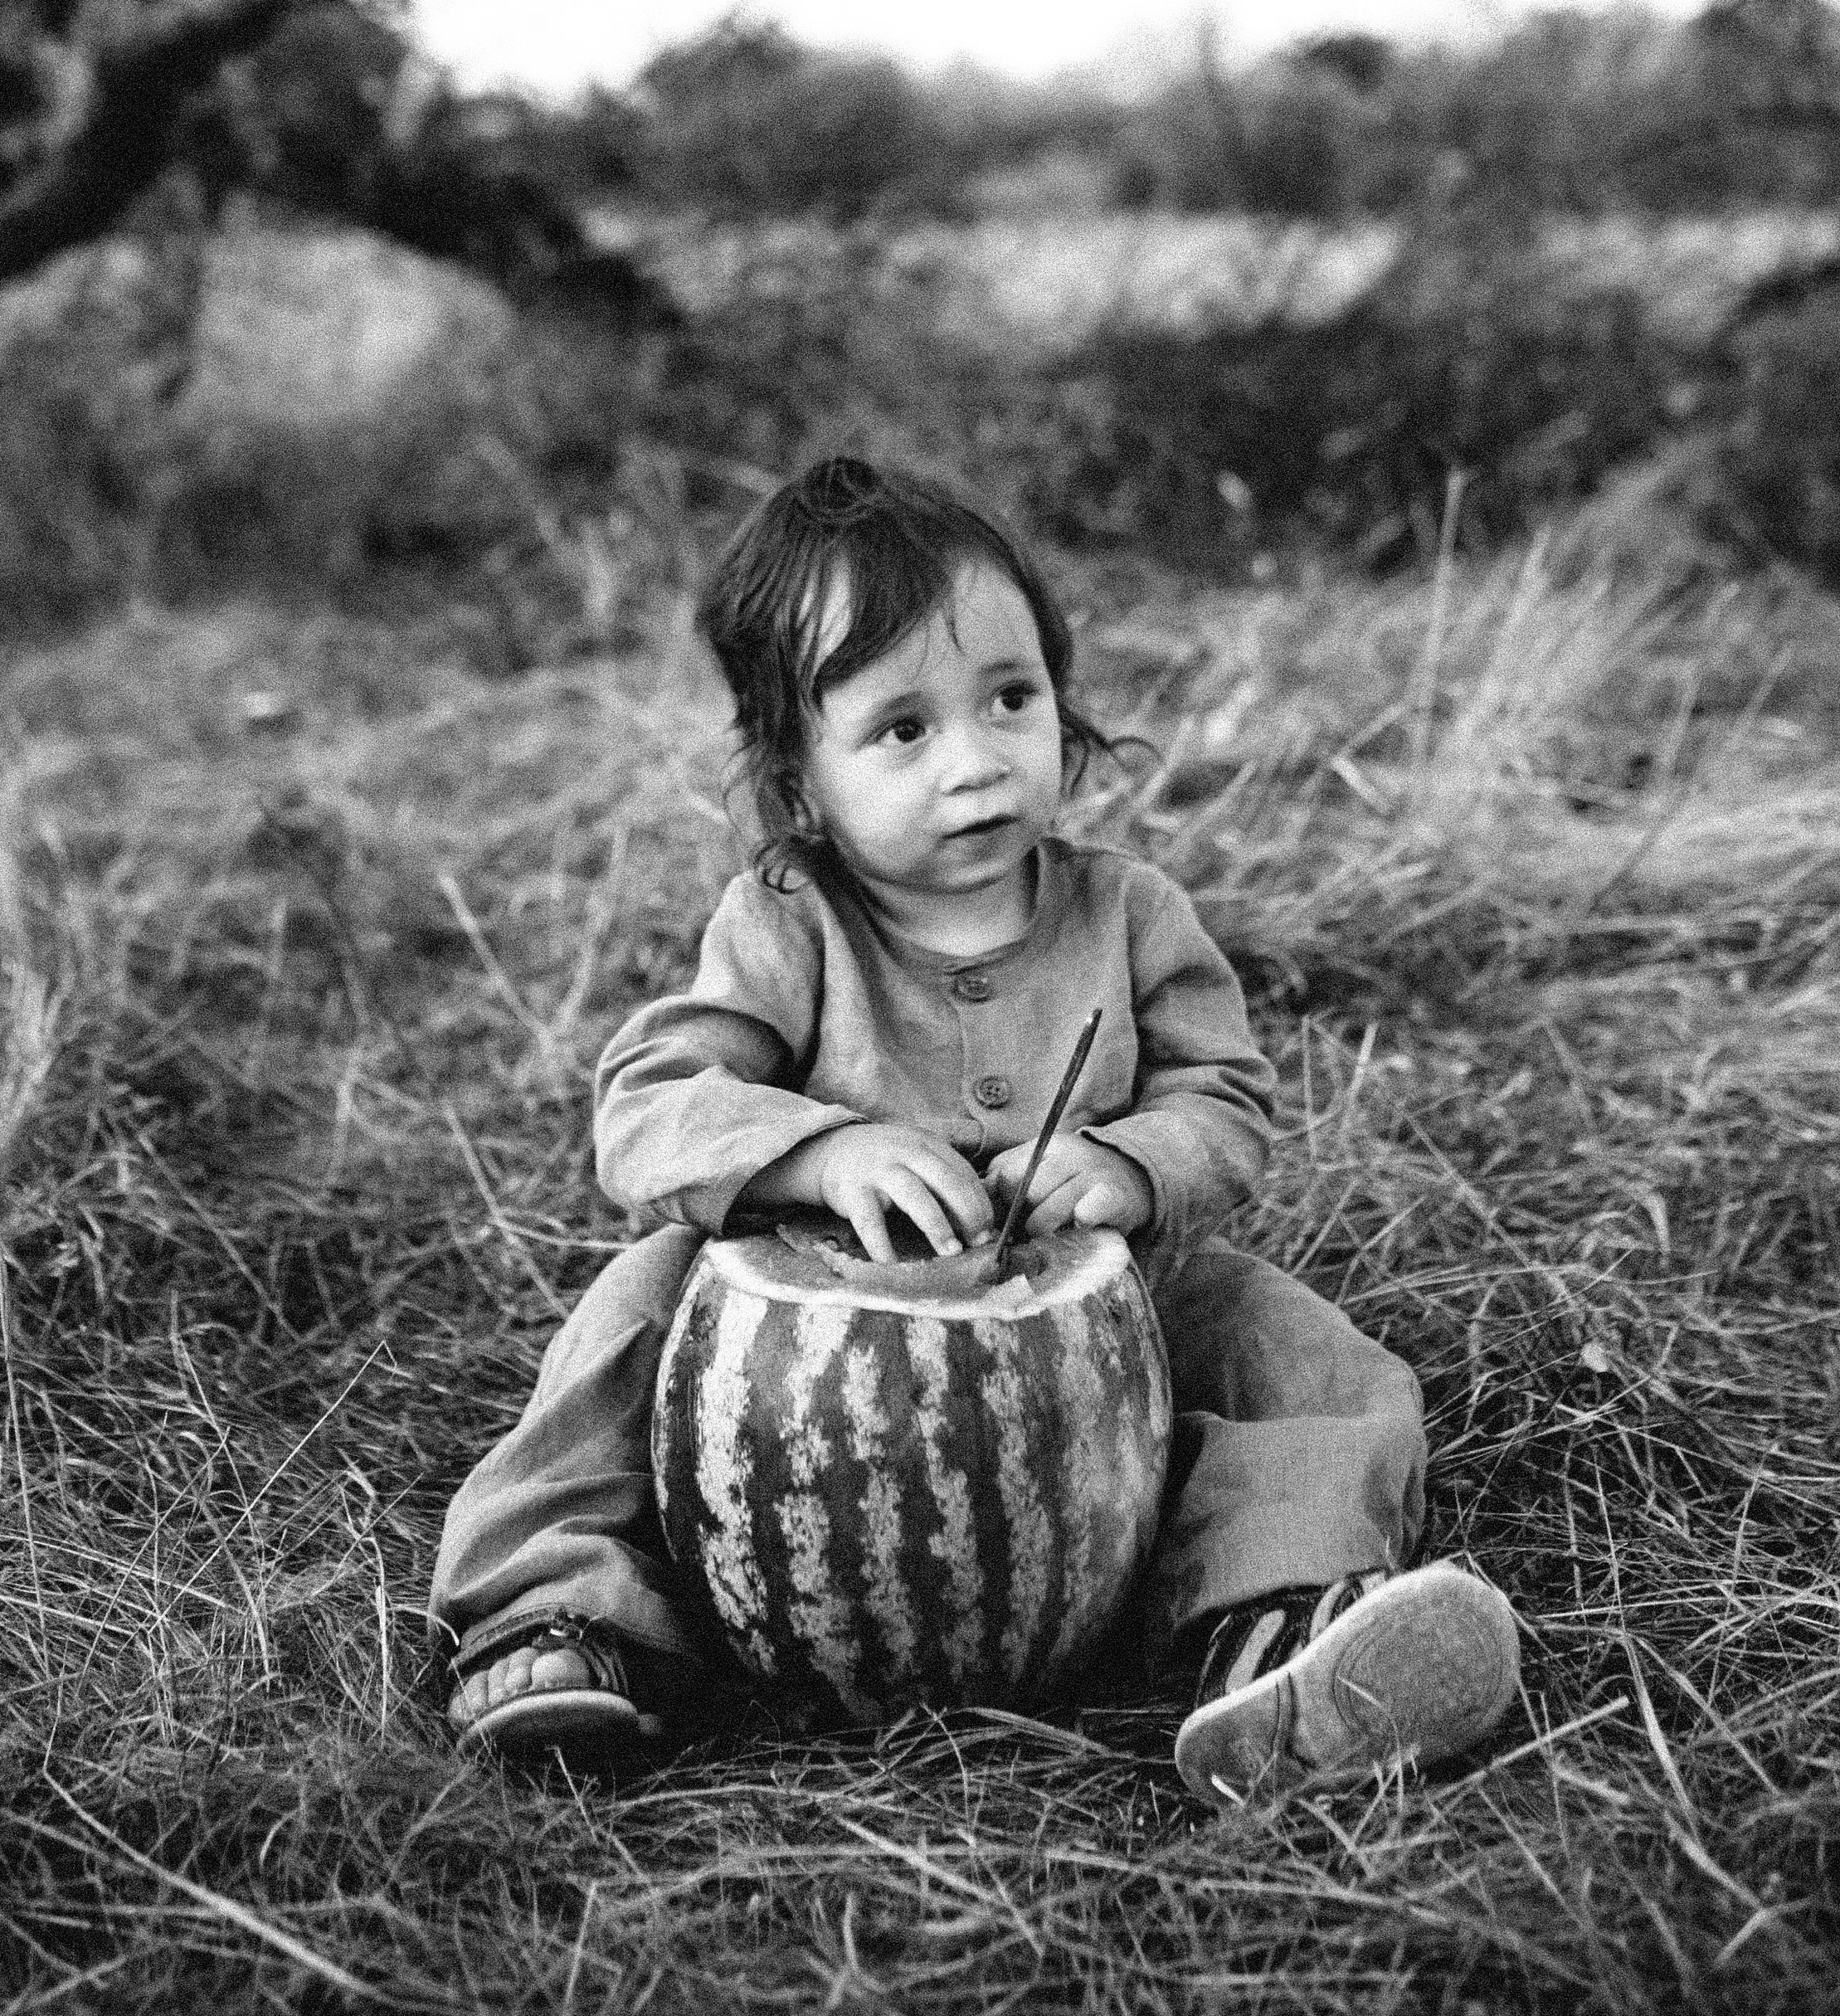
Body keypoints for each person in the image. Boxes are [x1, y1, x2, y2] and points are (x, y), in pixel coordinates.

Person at [431, 455, 1520, 1798]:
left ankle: (1282, 1622)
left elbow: (1224, 1099)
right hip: (793, 1358)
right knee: (625, 1321)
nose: (976, 761)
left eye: (1011, 698)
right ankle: (555, 1612)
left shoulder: (1131, 912)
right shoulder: (789, 923)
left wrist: (1130, 1165)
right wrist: (817, 1150)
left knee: (1298, 1351)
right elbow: (648, 1101)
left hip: (1106, 1309)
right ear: (799, 780)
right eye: (903, 728)